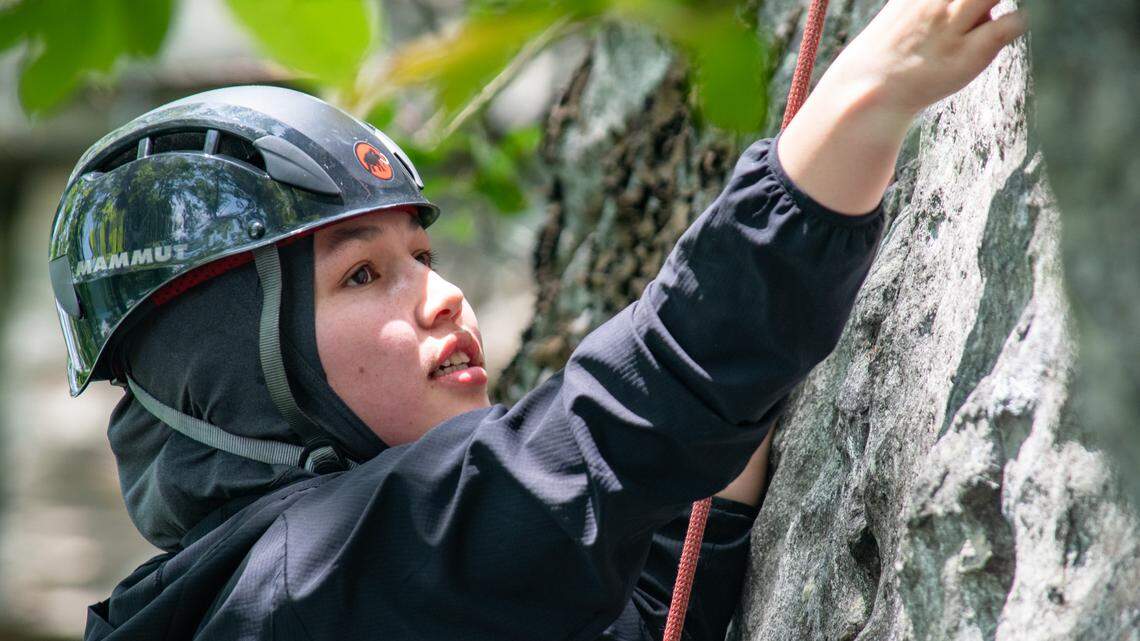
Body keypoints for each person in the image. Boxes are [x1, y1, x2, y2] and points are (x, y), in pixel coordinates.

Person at [47, 1, 1026, 638]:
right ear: (235, 370)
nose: (442, 299)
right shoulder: (279, 593)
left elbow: (637, 590)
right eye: (361, 277)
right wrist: (872, 91)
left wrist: (717, 445)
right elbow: (596, 441)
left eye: (423, 259)